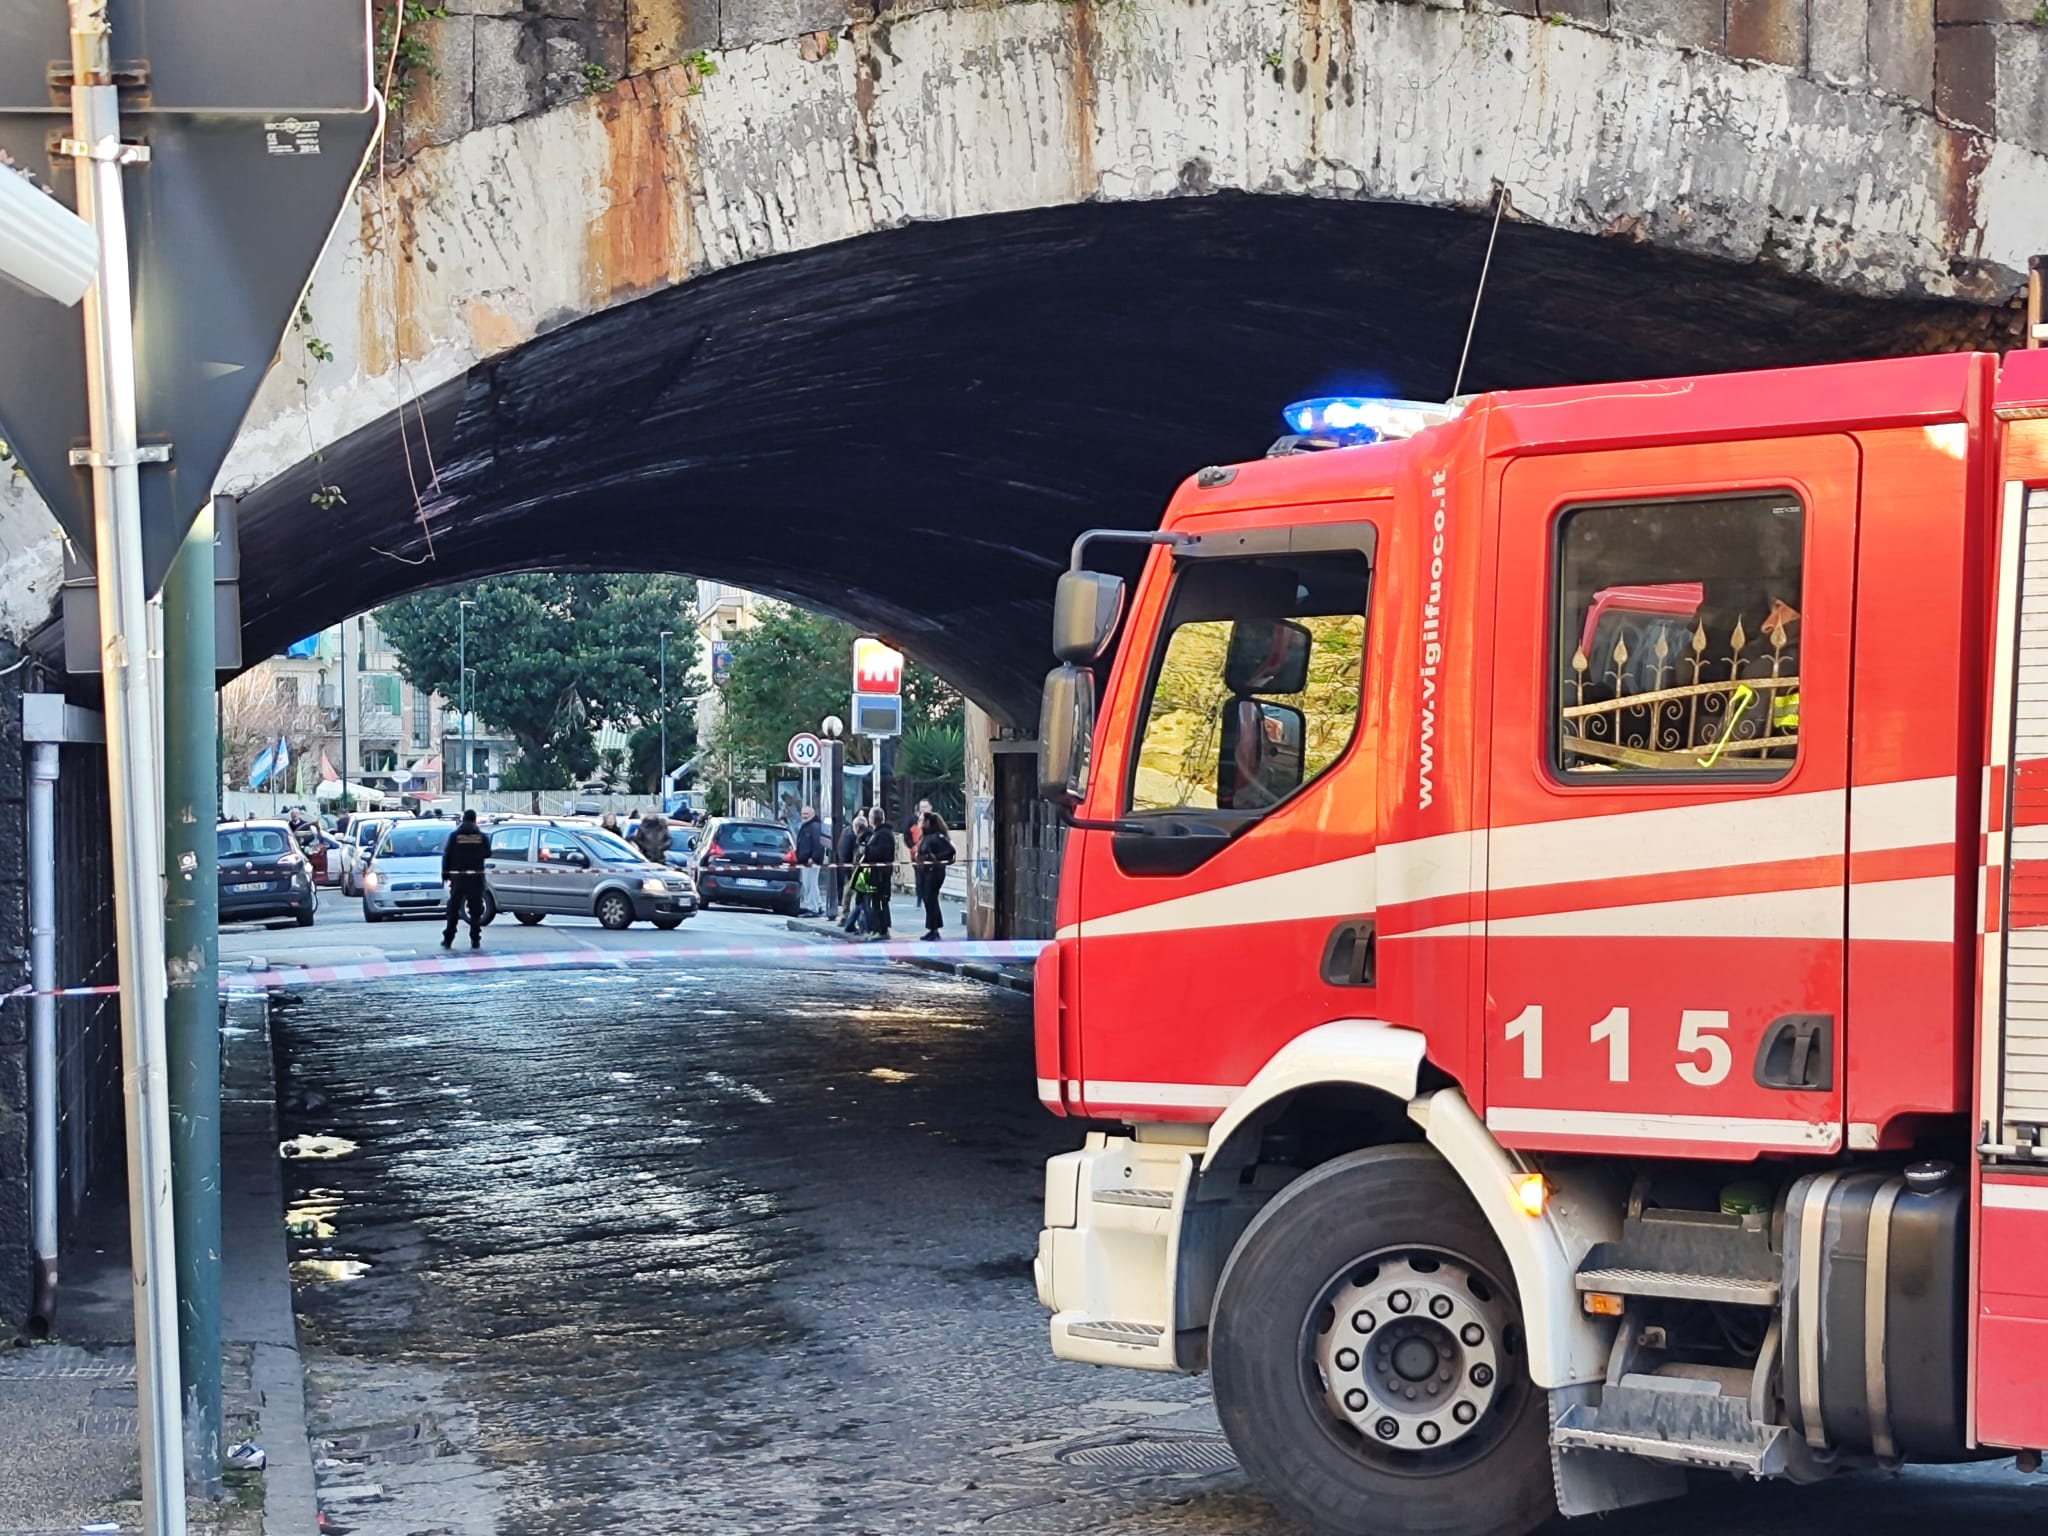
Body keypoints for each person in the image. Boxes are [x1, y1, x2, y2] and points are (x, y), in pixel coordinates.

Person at [440, 809, 490, 950]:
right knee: (475, 910)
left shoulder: (454, 836)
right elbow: (488, 853)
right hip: (476, 877)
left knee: (453, 909)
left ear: (463, 819)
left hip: (458, 877)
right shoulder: (481, 837)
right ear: (475, 820)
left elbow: (447, 855)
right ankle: (475, 939)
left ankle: (448, 939)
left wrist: (445, 874)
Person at [913, 810, 955, 940]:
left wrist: (936, 858)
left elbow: (950, 851)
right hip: (925, 872)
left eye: (921, 820)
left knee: (930, 899)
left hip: (934, 873)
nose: (919, 822)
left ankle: (934, 929)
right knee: (928, 899)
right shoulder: (925, 836)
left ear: (927, 822)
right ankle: (932, 928)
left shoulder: (936, 837)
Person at [860, 812, 897, 939]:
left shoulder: (883, 834)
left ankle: (882, 930)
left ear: (873, 819)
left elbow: (881, 853)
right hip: (875, 874)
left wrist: (866, 850)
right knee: (875, 902)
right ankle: (876, 928)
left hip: (880, 874)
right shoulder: (877, 833)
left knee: (880, 902)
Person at [794, 805, 827, 917]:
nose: (804, 816)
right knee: (812, 884)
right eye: (803, 814)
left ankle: (812, 908)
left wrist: (813, 858)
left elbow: (818, 844)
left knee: (809, 884)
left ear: (812, 814)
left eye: (806, 814)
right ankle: (818, 905)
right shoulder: (808, 826)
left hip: (810, 861)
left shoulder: (814, 827)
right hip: (806, 860)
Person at [838, 814, 868, 929]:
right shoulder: (850, 835)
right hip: (853, 867)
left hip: (854, 867)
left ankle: (848, 918)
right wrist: (849, 870)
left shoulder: (848, 832)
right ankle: (847, 918)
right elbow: (845, 852)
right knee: (851, 892)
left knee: (851, 893)